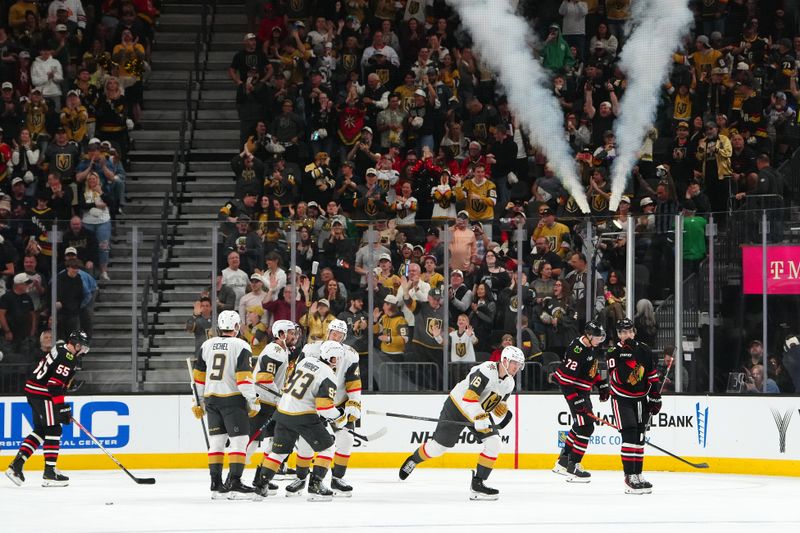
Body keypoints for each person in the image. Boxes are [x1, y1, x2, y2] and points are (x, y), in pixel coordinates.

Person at [398, 345, 524, 500]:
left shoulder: (509, 384)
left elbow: (496, 403)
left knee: (494, 443)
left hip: (477, 411)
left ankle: (478, 484)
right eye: (514, 363)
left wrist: (501, 407)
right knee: (437, 448)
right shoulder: (486, 369)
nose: (516, 367)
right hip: (457, 406)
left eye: (519, 364)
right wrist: (480, 418)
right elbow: (469, 397)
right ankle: (414, 459)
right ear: (504, 360)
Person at [253, 340, 344, 500]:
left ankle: (261, 485)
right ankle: (315, 485)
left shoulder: (305, 361)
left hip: (283, 411)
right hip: (303, 415)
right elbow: (324, 407)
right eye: (337, 358)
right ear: (332, 358)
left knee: (278, 452)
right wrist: (339, 416)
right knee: (327, 448)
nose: (339, 361)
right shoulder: (329, 374)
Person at [5, 330, 90, 487]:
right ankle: (49, 474)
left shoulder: (60, 347)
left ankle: (16, 466)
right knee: (54, 430)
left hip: (33, 390)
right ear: (76, 345)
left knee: (41, 430)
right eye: (82, 347)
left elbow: (54, 376)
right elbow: (54, 385)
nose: (83, 351)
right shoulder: (68, 358)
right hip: (42, 394)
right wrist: (61, 407)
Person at [191, 310, 258, 500]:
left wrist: (197, 401)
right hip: (232, 399)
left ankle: (216, 485)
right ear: (236, 327)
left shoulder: (206, 345)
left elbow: (198, 378)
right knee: (239, 441)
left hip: (212, 398)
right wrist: (253, 401)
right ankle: (235, 482)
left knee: (217, 442)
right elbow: (244, 379)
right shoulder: (241, 345)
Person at [294, 319, 362, 497]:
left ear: (344, 337)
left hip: (337, 402)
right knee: (306, 442)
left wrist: (354, 403)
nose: (336, 337)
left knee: (346, 440)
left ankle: (337, 479)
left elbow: (354, 383)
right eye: (334, 333)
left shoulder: (350, 355)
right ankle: (301, 478)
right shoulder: (310, 349)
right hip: (312, 402)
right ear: (328, 332)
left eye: (340, 335)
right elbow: (295, 375)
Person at [606, 318, 661, 494]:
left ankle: (638, 474)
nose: (626, 335)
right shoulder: (613, 352)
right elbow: (620, 378)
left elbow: (652, 375)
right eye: (622, 332)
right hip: (621, 398)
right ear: (618, 334)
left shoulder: (644, 349)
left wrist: (655, 396)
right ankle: (629, 476)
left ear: (634, 332)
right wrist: (627, 356)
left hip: (641, 398)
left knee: (639, 435)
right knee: (629, 432)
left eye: (629, 331)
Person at [552, 320, 608, 482]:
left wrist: (602, 384)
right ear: (588, 336)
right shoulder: (577, 350)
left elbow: (589, 370)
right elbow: (565, 381)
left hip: (582, 391)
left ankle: (563, 462)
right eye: (597, 337)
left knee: (579, 425)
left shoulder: (588, 347)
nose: (599, 340)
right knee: (586, 427)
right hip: (575, 392)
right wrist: (576, 401)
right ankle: (573, 466)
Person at [248, 319, 297, 494]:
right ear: (281, 334)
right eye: (291, 333)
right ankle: (234, 478)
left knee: (277, 442)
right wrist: (282, 395)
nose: (294, 336)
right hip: (262, 402)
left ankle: (260, 478)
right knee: (250, 443)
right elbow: (263, 379)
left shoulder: (283, 351)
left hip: (273, 403)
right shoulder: (274, 351)